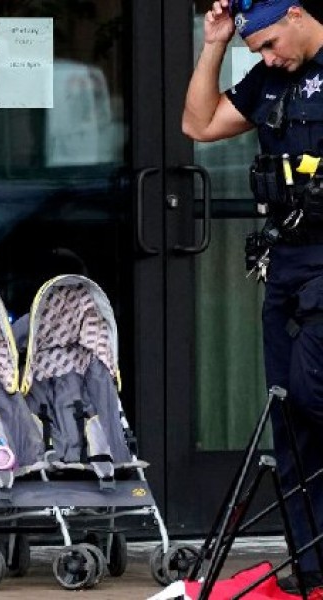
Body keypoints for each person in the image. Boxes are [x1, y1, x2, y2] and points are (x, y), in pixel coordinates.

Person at [183, 0, 323, 594]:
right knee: (289, 419)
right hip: (287, 263)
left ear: (296, 13)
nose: (268, 56)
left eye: (268, 42)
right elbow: (199, 125)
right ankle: (314, 568)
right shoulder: (272, 77)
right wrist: (214, 43)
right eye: (256, 50)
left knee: (317, 395)